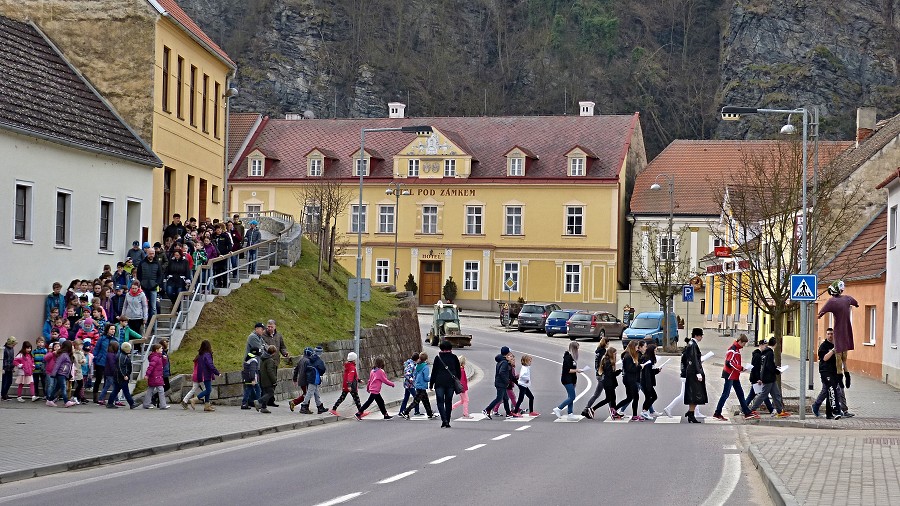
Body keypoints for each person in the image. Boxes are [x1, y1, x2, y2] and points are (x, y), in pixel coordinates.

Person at [817, 280, 858, 389]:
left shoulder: (832, 301)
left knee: (838, 356)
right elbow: (855, 302)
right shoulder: (847, 298)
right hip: (847, 330)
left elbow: (823, 310)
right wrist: (856, 304)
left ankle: (840, 379)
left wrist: (819, 315)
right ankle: (847, 375)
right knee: (845, 357)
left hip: (839, 331)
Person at [713, 334, 755, 421]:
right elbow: (729, 363)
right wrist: (741, 368)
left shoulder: (736, 349)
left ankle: (746, 412)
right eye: (743, 344)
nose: (743, 346)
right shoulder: (732, 350)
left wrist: (740, 369)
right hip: (730, 375)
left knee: (740, 393)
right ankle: (717, 412)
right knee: (726, 394)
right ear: (740, 341)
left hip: (734, 375)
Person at [812, 328, 851, 419]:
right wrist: (833, 350)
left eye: (832, 334)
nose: (830, 335)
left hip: (835, 372)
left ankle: (828, 412)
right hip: (825, 371)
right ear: (826, 335)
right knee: (831, 390)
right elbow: (824, 358)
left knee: (829, 390)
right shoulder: (824, 346)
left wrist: (846, 373)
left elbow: (842, 359)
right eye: (828, 334)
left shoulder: (838, 345)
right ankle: (836, 410)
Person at [747, 338, 790, 417]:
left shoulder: (765, 352)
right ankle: (752, 410)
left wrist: (776, 367)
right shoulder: (770, 353)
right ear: (775, 344)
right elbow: (769, 366)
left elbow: (767, 364)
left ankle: (780, 411)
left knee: (776, 394)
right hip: (768, 377)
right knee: (763, 394)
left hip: (770, 378)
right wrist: (777, 371)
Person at [430, 340, 462, 428]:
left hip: (439, 382)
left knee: (440, 402)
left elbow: (434, 372)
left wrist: (431, 383)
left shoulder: (438, 358)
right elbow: (458, 372)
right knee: (448, 402)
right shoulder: (454, 357)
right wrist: (457, 380)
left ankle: (444, 419)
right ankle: (447, 420)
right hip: (450, 383)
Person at [681, 327, 708, 423]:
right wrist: (698, 373)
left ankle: (690, 413)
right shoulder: (693, 345)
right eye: (701, 335)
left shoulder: (691, 344)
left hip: (691, 372)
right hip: (693, 373)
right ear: (697, 336)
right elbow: (693, 360)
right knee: (695, 394)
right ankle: (691, 413)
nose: (702, 337)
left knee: (694, 394)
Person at [616, 341, 646, 421]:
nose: (637, 349)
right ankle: (634, 415)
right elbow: (630, 369)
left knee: (629, 398)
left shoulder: (630, 355)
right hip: (630, 379)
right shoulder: (628, 356)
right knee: (635, 397)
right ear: (633, 347)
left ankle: (614, 409)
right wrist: (640, 367)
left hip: (630, 379)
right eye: (636, 347)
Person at [590, 347, 623, 419]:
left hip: (609, 382)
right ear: (611, 353)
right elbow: (610, 374)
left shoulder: (607, 360)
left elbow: (610, 373)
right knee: (608, 399)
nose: (615, 355)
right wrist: (618, 372)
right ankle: (593, 409)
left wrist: (616, 372)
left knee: (613, 398)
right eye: (615, 353)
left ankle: (614, 412)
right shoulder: (608, 361)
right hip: (608, 383)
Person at [400, 352, 435, 420]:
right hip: (422, 385)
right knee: (416, 401)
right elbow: (426, 378)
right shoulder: (425, 367)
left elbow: (415, 374)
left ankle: (430, 413)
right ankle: (405, 412)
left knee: (425, 400)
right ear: (426, 359)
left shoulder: (417, 366)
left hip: (418, 385)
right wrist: (431, 378)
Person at [745, 339, 775, 415]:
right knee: (762, 395)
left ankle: (744, 408)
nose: (766, 347)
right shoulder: (757, 355)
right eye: (765, 346)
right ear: (761, 345)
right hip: (756, 378)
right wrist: (758, 379)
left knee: (760, 395)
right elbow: (755, 368)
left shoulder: (760, 354)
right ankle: (744, 408)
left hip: (757, 378)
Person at [482, 346, 513, 420]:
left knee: (505, 398)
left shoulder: (500, 361)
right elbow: (501, 372)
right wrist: (506, 381)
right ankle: (487, 409)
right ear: (507, 353)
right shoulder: (504, 362)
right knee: (499, 398)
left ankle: (508, 413)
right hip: (501, 383)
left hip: (500, 382)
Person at [552, 341, 580, 421]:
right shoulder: (568, 357)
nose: (578, 350)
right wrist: (577, 370)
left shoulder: (572, 358)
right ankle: (558, 408)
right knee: (572, 397)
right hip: (567, 379)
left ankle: (570, 414)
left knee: (570, 397)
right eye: (577, 349)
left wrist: (575, 380)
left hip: (571, 379)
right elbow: (567, 370)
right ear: (573, 349)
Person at [581, 338, 609, 418]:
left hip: (598, 374)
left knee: (598, 394)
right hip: (602, 375)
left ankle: (586, 409)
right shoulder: (603, 352)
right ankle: (586, 409)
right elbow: (603, 364)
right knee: (608, 394)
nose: (608, 345)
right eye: (608, 343)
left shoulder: (598, 351)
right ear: (606, 343)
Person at [106, 341, 136, 409]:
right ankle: (132, 403)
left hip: (118, 376)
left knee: (116, 390)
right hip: (121, 377)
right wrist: (124, 375)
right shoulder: (122, 357)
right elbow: (120, 367)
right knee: (125, 390)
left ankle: (110, 403)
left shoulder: (121, 355)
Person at [137, 248, 164, 322]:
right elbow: (139, 274)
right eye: (150, 253)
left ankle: (152, 323)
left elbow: (160, 275)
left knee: (153, 307)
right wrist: (141, 283)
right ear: (147, 253)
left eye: (153, 253)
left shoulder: (157, 263)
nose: (151, 255)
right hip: (143, 287)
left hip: (153, 288)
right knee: (143, 305)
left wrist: (156, 284)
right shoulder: (142, 263)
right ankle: (143, 321)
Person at [47, 340, 76, 407]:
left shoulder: (67, 355)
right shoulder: (63, 355)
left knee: (57, 388)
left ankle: (50, 400)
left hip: (64, 373)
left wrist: (69, 375)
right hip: (61, 373)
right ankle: (66, 401)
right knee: (63, 387)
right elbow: (57, 364)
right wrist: (53, 373)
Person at [299, 346, 327, 414]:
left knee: (316, 393)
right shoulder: (319, 361)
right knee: (310, 393)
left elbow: (306, 368)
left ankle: (319, 406)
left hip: (309, 377)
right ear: (320, 353)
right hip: (315, 378)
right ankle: (304, 406)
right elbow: (322, 370)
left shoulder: (309, 359)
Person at [194, 340, 220, 412]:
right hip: (206, 374)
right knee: (208, 390)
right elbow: (210, 365)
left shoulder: (201, 354)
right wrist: (217, 372)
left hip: (202, 374)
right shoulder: (207, 354)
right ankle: (195, 399)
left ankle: (207, 405)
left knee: (207, 389)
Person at [142, 343, 169, 409]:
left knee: (150, 390)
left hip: (155, 377)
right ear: (156, 350)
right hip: (156, 377)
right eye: (160, 348)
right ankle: (163, 405)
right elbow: (151, 367)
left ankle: (146, 404)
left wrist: (164, 359)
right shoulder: (155, 358)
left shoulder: (158, 357)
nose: (162, 349)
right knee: (161, 390)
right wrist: (147, 374)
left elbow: (162, 364)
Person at [254, 345, 279, 413]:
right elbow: (270, 371)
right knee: (270, 393)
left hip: (262, 379)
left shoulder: (263, 358)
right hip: (268, 380)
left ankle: (263, 407)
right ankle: (258, 401)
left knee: (265, 393)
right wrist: (274, 381)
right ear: (273, 352)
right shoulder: (269, 360)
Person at [640, 343, 661, 420]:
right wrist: (648, 385)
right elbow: (647, 373)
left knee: (649, 397)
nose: (656, 352)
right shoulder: (647, 359)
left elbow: (651, 371)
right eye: (655, 351)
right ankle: (644, 411)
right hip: (646, 382)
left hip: (647, 382)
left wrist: (657, 370)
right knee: (652, 396)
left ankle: (647, 411)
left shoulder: (650, 359)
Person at [397, 351, 421, 417]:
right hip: (410, 384)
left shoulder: (409, 363)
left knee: (406, 398)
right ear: (417, 359)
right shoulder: (411, 365)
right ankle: (416, 411)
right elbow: (407, 373)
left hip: (407, 383)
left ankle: (401, 411)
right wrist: (411, 380)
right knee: (416, 397)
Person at [288, 347, 310, 412]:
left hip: (301, 380)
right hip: (305, 380)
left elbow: (296, 370)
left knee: (306, 394)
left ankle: (295, 403)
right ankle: (304, 407)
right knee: (307, 394)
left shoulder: (301, 360)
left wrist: (294, 379)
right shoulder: (308, 361)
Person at [71, 339, 87, 405]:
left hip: (79, 370)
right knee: (74, 383)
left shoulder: (81, 352)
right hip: (74, 370)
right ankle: (73, 396)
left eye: (81, 345)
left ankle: (75, 396)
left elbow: (84, 359)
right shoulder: (73, 353)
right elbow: (72, 361)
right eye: (80, 345)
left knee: (80, 384)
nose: (81, 346)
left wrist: (83, 361)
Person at [2, 336, 15, 401]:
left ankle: (5, 393)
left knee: (9, 382)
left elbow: (12, 359)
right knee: (4, 382)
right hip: (5, 368)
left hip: (10, 368)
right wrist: (3, 368)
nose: (14, 345)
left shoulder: (12, 349)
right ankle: (3, 394)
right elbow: (3, 359)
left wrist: (13, 367)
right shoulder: (4, 349)